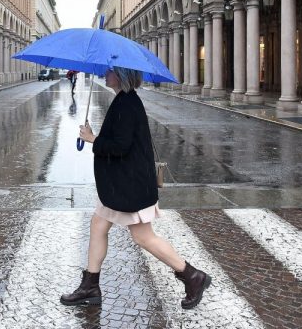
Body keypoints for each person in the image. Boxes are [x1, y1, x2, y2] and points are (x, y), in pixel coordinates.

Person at [61, 65, 211, 310]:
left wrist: (93, 139)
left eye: (110, 72)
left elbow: (120, 146)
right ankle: (90, 285)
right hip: (120, 185)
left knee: (143, 236)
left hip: (128, 187)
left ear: (121, 76)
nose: (105, 75)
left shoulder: (127, 104)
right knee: (98, 224)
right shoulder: (124, 100)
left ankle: (193, 276)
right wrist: (95, 137)